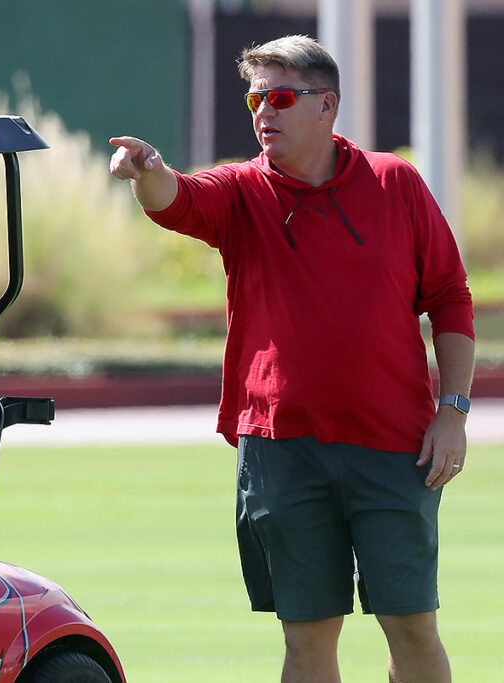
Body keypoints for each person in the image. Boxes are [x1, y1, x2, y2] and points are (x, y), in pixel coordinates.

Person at [109, 35, 474, 683]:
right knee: (306, 640)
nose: (262, 112)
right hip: (283, 451)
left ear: (326, 105)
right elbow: (179, 198)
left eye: (280, 97)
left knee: (413, 628)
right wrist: (149, 172)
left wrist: (453, 411)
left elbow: (449, 298)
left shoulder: (396, 182)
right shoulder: (243, 189)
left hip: (395, 447)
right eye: (255, 97)